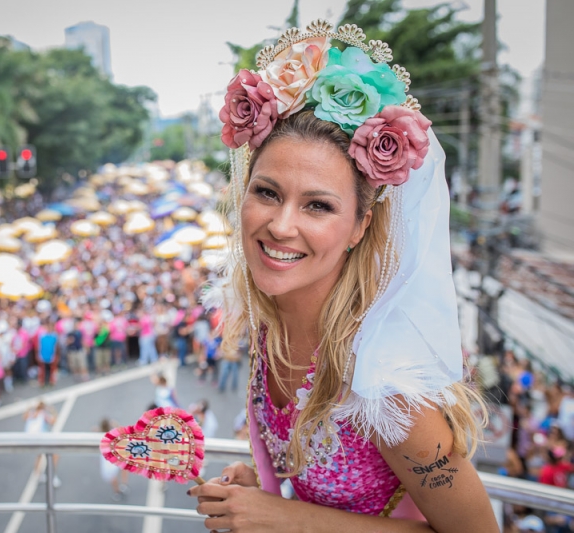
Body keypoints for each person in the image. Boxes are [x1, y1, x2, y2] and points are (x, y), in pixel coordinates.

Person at [188, 20, 497, 532]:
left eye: (318, 205)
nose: (281, 225)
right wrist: (262, 489)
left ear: (360, 226)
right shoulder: (271, 328)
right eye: (267, 192)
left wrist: (287, 517)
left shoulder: (386, 385)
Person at [24, 401, 61, 488]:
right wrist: (52, 410)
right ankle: (52, 477)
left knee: (39, 455)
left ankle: (38, 475)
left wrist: (29, 408)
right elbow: (54, 421)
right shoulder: (43, 414)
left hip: (32, 441)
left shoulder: (31, 414)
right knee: (55, 456)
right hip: (42, 440)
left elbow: (24, 417)